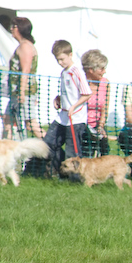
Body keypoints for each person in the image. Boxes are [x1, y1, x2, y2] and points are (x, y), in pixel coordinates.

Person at [43, 40, 92, 176]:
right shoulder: (64, 72)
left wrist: (73, 107)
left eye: (62, 59)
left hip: (75, 119)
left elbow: (86, 93)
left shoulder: (76, 72)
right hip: (63, 117)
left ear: (70, 55)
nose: (60, 62)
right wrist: (58, 99)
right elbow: (69, 92)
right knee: (48, 143)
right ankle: (59, 171)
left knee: (73, 152)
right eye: (57, 60)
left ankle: (75, 179)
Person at [3, 17, 44, 140]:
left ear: (20, 28)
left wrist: (21, 93)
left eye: (14, 26)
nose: (11, 29)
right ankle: (6, 152)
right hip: (16, 94)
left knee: (30, 125)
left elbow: (25, 71)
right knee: (7, 121)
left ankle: (53, 150)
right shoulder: (22, 46)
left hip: (23, 93)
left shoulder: (25, 46)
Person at [81, 49, 111, 158]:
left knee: (105, 150)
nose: (104, 71)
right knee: (86, 153)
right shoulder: (80, 82)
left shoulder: (105, 83)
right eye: (101, 68)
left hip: (98, 124)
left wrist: (101, 126)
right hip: (82, 125)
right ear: (91, 70)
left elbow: (105, 108)